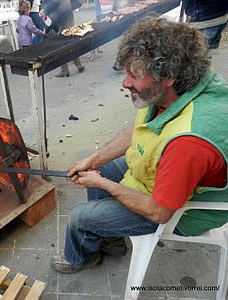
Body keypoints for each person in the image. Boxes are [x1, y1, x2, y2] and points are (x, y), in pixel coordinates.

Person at [51, 17, 228, 274]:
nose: (125, 83)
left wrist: (101, 183)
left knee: (79, 217)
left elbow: (159, 212)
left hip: (183, 212)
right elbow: (135, 131)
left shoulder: (188, 143)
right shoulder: (182, 86)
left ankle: (82, 258)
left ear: (167, 76)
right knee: (105, 168)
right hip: (167, 172)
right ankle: (110, 239)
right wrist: (93, 161)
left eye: (135, 75)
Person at [40, 0, 85, 77]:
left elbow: (54, 1)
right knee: (71, 42)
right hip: (66, 11)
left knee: (60, 46)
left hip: (60, 16)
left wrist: (45, 10)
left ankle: (65, 70)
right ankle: (79, 65)